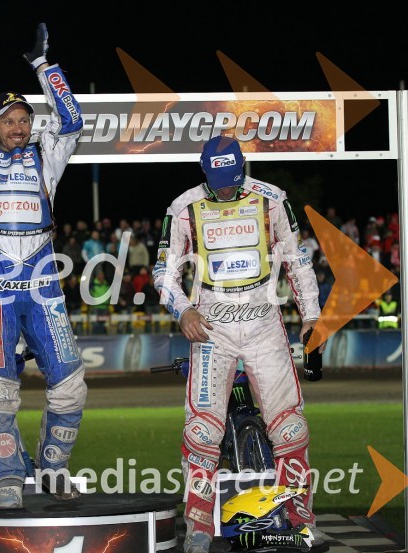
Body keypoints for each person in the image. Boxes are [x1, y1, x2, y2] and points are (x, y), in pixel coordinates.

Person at [153, 136, 325, 553]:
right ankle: (197, 525)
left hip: (265, 324)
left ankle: (301, 520)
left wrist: (313, 319)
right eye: (218, 180)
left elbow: (298, 261)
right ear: (204, 172)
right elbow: (164, 272)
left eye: (232, 179)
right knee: (201, 430)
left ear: (243, 166)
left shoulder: (272, 199)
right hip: (212, 327)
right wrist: (183, 311)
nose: (225, 188)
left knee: (289, 426)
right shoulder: (183, 207)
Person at [0, 12, 87, 510]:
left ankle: (51, 471)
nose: (19, 127)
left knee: (70, 385)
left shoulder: (48, 156)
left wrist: (45, 65)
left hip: (44, 283)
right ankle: (8, 477)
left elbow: (71, 120)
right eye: (9, 120)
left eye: (25, 119)